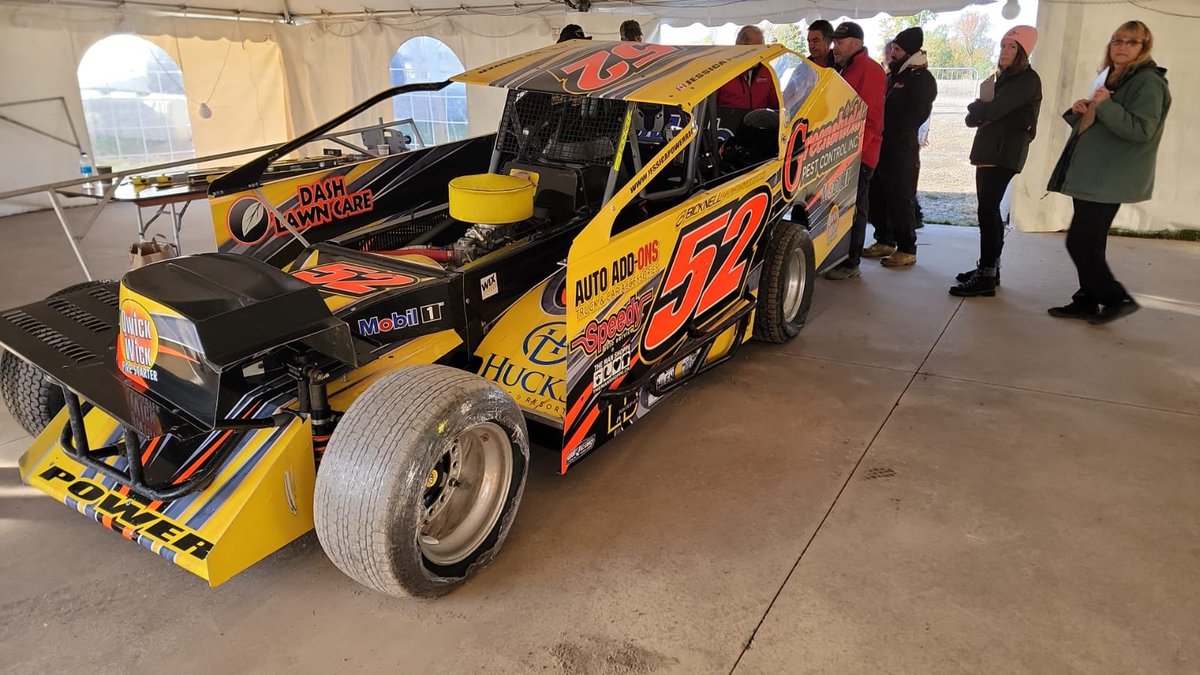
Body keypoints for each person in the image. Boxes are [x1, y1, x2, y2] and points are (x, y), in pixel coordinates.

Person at [1046, 20, 1170, 324]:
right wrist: (1081, 112)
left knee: (1079, 241)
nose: (1121, 47)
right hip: (1094, 175)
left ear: (1144, 46)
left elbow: (1142, 130)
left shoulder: (1148, 82)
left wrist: (1106, 105)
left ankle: (1116, 298)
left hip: (1109, 178)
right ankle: (1087, 299)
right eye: (1117, 41)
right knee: (1092, 243)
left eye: (1131, 42)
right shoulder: (1115, 77)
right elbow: (1100, 125)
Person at [950, 25, 1042, 297]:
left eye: (1011, 47)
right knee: (987, 210)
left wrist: (979, 109)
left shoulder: (1027, 80)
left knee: (988, 211)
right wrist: (980, 110)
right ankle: (990, 269)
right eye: (1002, 45)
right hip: (990, 151)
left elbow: (993, 109)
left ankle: (987, 274)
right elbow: (974, 118)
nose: (1004, 51)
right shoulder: (1001, 79)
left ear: (1023, 52)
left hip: (1003, 153)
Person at [822, 21, 887, 280]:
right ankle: (839, 254)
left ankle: (851, 260)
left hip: (859, 154)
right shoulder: (845, 69)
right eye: (835, 42)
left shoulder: (869, 70)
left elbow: (871, 118)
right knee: (841, 205)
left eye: (840, 42)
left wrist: (855, 153)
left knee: (856, 207)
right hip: (843, 151)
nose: (835, 47)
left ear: (856, 43)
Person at [869, 26, 937, 268]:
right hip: (881, 146)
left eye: (897, 49)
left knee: (901, 198)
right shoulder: (893, 76)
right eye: (892, 49)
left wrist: (891, 130)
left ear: (909, 51)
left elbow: (916, 115)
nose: (892, 53)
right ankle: (884, 240)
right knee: (877, 194)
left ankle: (907, 248)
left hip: (902, 149)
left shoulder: (922, 79)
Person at [715, 26, 781, 110]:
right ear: (741, 47)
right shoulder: (722, 72)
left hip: (760, 121)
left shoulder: (766, 72)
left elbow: (776, 105)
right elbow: (708, 109)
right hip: (728, 121)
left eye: (762, 48)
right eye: (756, 49)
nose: (760, 53)